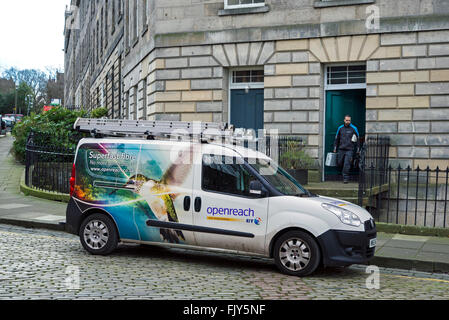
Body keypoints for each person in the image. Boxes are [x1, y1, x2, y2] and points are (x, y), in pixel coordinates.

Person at [333, 115, 359, 184]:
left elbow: (358, 139)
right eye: (347, 120)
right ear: (344, 120)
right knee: (339, 162)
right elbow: (336, 138)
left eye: (349, 120)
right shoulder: (340, 128)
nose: (348, 122)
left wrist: (358, 149)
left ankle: (345, 178)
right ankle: (342, 174)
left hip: (349, 149)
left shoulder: (354, 128)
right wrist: (335, 148)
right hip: (341, 149)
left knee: (346, 164)